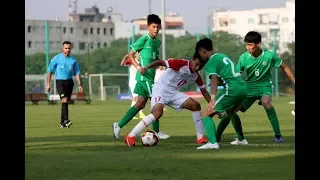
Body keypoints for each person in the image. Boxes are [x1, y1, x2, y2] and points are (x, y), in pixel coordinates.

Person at [216, 31, 295, 143]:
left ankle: (278, 136)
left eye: (250, 45)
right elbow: (236, 74)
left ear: (258, 44)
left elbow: (284, 66)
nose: (248, 48)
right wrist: (221, 81)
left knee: (266, 102)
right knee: (230, 110)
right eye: (246, 45)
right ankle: (219, 137)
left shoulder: (269, 56)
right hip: (248, 87)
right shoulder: (243, 58)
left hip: (265, 86)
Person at [124, 53, 211, 147]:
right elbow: (160, 62)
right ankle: (130, 136)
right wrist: (147, 67)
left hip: (173, 92)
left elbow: (204, 91)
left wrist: (212, 106)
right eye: (196, 64)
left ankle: (200, 137)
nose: (197, 68)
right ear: (193, 59)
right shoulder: (180, 63)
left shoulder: (196, 75)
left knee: (196, 106)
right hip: (160, 89)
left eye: (200, 67)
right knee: (157, 113)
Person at [112, 14, 170, 140]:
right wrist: (138, 67)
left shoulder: (157, 42)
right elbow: (130, 54)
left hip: (149, 78)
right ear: (148, 27)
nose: (156, 29)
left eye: (158, 27)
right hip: (144, 78)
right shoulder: (144, 39)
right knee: (156, 102)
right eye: (154, 27)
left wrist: (163, 64)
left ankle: (118, 125)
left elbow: (155, 59)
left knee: (140, 104)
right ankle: (157, 132)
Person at [195, 38, 248, 150]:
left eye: (199, 53)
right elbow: (224, 75)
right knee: (230, 111)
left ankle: (213, 143)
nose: (200, 57)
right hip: (242, 88)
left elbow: (213, 78)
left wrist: (213, 97)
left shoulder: (210, 62)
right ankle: (242, 139)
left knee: (205, 114)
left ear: (202, 50)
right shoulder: (222, 56)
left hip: (232, 90)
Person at [46, 41, 83, 128]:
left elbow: (77, 72)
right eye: (66, 48)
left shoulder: (73, 60)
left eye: (69, 48)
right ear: (62, 48)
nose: (67, 50)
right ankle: (66, 120)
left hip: (69, 82)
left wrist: (80, 85)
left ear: (71, 49)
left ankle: (62, 123)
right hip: (60, 82)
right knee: (64, 100)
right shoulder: (57, 58)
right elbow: (50, 71)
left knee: (65, 102)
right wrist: (48, 84)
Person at [120, 53, 146, 119]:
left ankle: (137, 114)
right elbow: (122, 64)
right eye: (139, 54)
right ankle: (135, 114)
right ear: (136, 55)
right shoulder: (132, 61)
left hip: (139, 81)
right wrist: (125, 57)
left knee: (139, 98)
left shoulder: (142, 62)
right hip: (133, 82)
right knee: (136, 97)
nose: (140, 55)